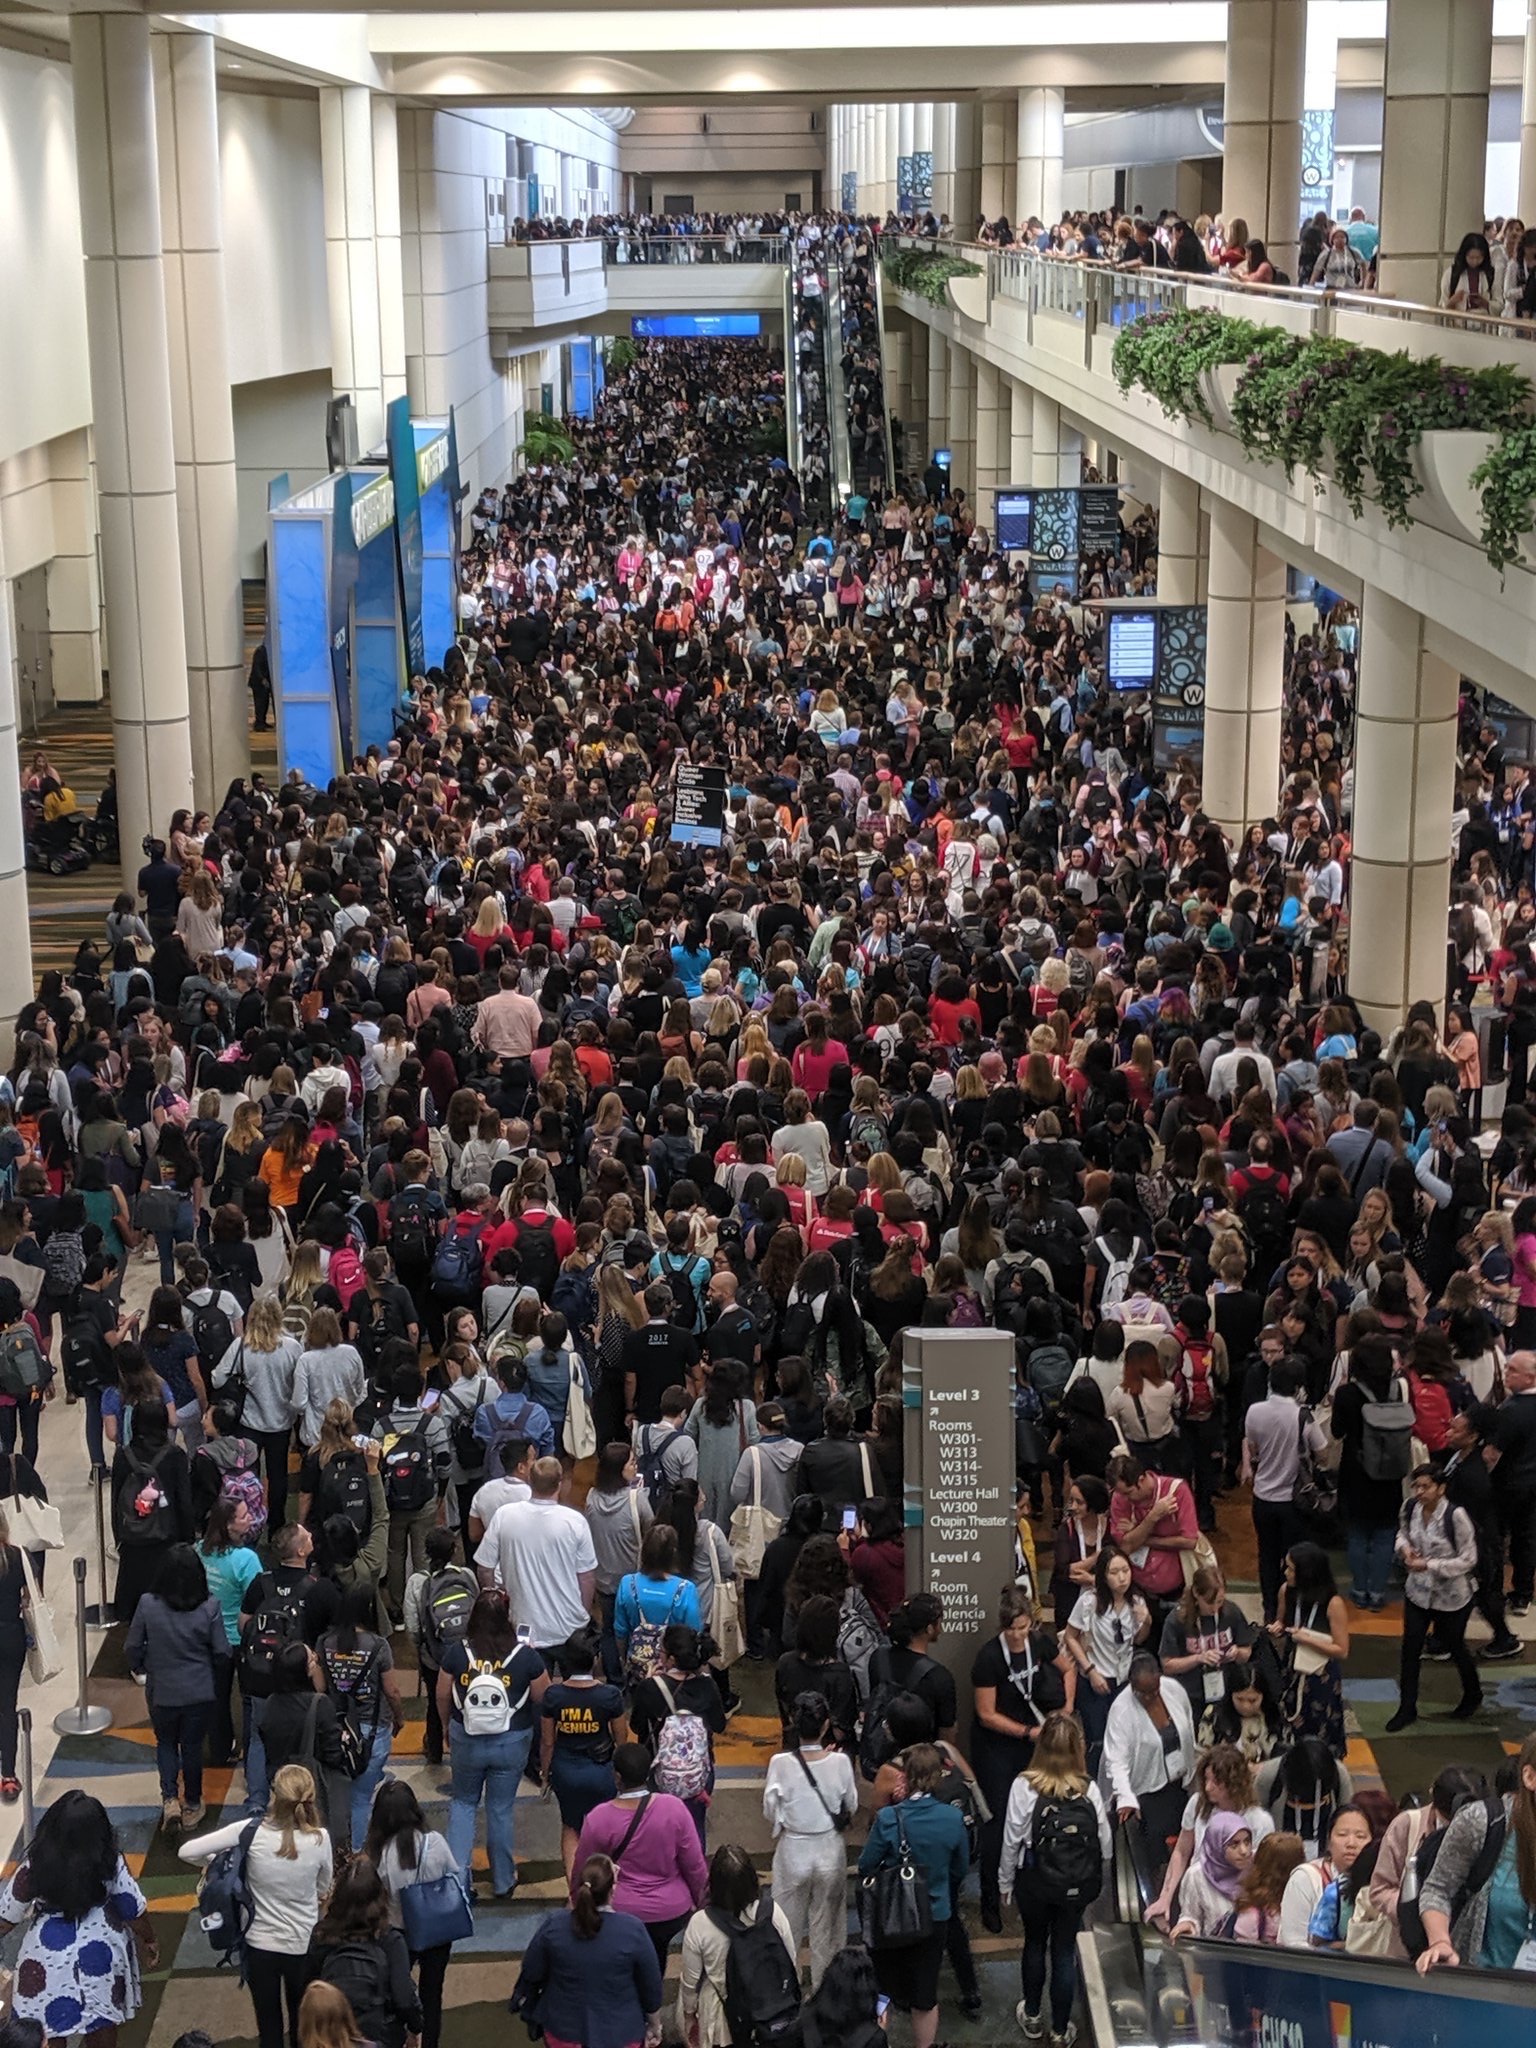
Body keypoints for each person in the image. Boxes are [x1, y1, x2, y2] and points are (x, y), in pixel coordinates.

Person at [179, 1766, 333, 2048]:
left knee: (268, 2026)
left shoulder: (249, 1832)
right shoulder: (320, 1839)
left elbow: (187, 1851)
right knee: (303, 2026)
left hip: (259, 1946)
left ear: (274, 1795)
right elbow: (323, 1889)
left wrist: (219, 1864)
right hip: (302, 1947)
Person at [0, 1790, 157, 2047]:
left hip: (43, 1956)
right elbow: (132, 1908)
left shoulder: (35, 1864)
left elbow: (7, 1916)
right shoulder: (110, 1862)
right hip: (100, 1955)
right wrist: (150, 1940)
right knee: (101, 2022)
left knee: (46, 2031)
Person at [999, 1710, 1111, 2046]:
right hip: (1074, 1885)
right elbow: (1104, 1844)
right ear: (1078, 1748)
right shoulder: (1088, 1790)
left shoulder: (1024, 1785)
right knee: (1064, 1950)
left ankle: (1032, 2015)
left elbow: (1011, 1839)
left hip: (1034, 1880)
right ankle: (1061, 2031)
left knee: (1034, 1942)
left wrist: (1005, 1882)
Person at [969, 1584, 1073, 1933]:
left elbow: (1068, 1669)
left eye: (1023, 1628)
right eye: (1011, 1629)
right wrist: (1027, 1733)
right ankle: (990, 1899)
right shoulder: (988, 1657)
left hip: (1036, 1740)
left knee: (1042, 1809)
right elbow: (986, 1713)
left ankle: (1035, 1887)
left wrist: (1066, 1710)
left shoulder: (1041, 1642)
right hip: (998, 1745)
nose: (1017, 1635)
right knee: (997, 1822)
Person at [436, 1586, 549, 1898]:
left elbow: (443, 1693)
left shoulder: (459, 1653)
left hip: (467, 1738)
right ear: (507, 1619)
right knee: (500, 1808)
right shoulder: (525, 1655)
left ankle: (458, 1881)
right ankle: (502, 1880)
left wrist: (447, 1726)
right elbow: (543, 1697)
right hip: (511, 1741)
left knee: (463, 1804)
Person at [857, 1742, 971, 2048]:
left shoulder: (889, 1819)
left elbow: (866, 1865)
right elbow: (961, 1867)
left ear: (904, 1777)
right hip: (935, 1915)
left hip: (892, 1915)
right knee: (924, 1994)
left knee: (884, 1989)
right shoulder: (952, 1818)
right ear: (938, 1776)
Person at [571, 1740, 709, 1970]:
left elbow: (581, 1870)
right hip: (670, 1912)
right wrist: (703, 1903)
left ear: (617, 1777)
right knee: (656, 1962)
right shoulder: (674, 1809)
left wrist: (578, 1902)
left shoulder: (599, 1818)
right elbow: (695, 1866)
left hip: (618, 1910)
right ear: (649, 1772)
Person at [125, 1541, 228, 1833]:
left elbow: (132, 1646)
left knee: (166, 1743)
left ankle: (170, 1798)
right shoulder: (210, 1607)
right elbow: (222, 1652)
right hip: (199, 1691)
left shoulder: (147, 1604)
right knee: (192, 1747)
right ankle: (193, 1802)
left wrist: (143, 1665)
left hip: (162, 1691)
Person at [513, 1853, 663, 2048]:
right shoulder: (632, 1930)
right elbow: (651, 1988)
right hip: (620, 2034)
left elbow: (532, 1970)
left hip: (563, 2031)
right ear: (613, 1889)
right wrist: (654, 2026)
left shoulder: (555, 1925)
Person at [762, 1689, 858, 1989]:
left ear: (792, 1721)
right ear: (826, 1724)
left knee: (786, 1927)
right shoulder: (841, 1763)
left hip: (793, 1851)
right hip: (829, 1850)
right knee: (827, 1929)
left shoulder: (779, 1763)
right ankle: (822, 1990)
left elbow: (770, 1811)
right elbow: (851, 1804)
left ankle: (787, 1988)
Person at [1417, 1731, 1536, 1971]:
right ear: (1529, 1776)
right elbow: (1437, 1889)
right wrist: (1440, 1941)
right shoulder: (1482, 1822)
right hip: (1486, 1988)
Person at [364, 1779, 461, 2048]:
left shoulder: (380, 1855)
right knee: (433, 1994)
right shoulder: (436, 1843)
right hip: (437, 1930)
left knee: (395, 1993)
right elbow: (453, 1876)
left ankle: (402, 2038)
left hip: (396, 1935)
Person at [1387, 1460, 1482, 1730]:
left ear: (1441, 1488)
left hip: (1452, 1598)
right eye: (1416, 1486)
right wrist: (1405, 1551)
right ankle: (1407, 1708)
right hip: (1418, 1593)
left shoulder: (1456, 1516)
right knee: (1410, 1650)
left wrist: (1429, 1564)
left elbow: (1469, 1559)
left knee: (1454, 1646)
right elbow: (1401, 1536)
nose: (1419, 1492)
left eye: (1425, 1486)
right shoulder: (1410, 1509)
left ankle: (1473, 1693)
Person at [474, 1454, 597, 1653]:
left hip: (521, 1626)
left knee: (529, 1682)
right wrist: (583, 1613)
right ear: (559, 1484)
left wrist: (497, 1603)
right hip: (569, 1626)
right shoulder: (575, 1521)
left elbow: (484, 1569)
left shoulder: (505, 1516)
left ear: (530, 1481)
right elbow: (587, 1577)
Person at [679, 1842, 798, 2048]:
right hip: (768, 2011)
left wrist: (689, 2015)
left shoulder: (700, 1923)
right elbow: (790, 1960)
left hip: (721, 2018)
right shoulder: (772, 1912)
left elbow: (690, 1982)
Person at [315, 1583, 405, 1852]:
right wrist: (399, 1719)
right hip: (371, 1732)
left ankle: (334, 1852)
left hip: (335, 1730)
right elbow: (392, 1690)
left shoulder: (324, 1642)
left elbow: (320, 1688)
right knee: (361, 1799)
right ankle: (357, 1853)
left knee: (335, 1797)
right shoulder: (378, 1646)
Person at [539, 1626, 630, 1880]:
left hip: (566, 1772)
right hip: (602, 1773)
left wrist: (545, 1774)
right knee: (605, 1828)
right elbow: (621, 1738)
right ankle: (605, 1884)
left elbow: (547, 1742)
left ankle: (574, 1888)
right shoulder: (609, 1695)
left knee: (571, 1827)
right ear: (595, 1659)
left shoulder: (554, 1695)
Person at [309, 1857, 423, 2048]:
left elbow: (309, 1989)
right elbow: (404, 1999)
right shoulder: (390, 1940)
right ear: (380, 1897)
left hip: (332, 2036)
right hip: (382, 2036)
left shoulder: (322, 1935)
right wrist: (415, 2028)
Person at [1101, 1652, 1196, 1878]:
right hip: (1146, 1793)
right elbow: (1116, 1761)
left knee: (1184, 1845)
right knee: (1154, 1856)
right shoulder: (1121, 1710)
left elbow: (1188, 1726)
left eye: (1154, 1691)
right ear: (1132, 1686)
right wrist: (1125, 1797)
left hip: (1179, 1784)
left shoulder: (1174, 1689)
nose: (1150, 1697)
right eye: (1142, 1694)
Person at [1270, 1543, 1350, 1753]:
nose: (1286, 1573)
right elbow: (1282, 1622)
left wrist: (1307, 1639)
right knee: (1287, 1718)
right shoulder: (1286, 1591)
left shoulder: (1333, 1603)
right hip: (1291, 1668)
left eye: (1291, 1568)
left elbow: (1342, 1649)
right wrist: (1278, 1628)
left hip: (1320, 1674)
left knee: (1320, 1730)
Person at [1279, 1803, 1374, 1947]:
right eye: (1342, 1835)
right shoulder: (1305, 1877)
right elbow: (1293, 1941)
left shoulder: (1379, 1882)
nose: (1351, 1843)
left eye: (1361, 1836)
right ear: (1329, 1841)